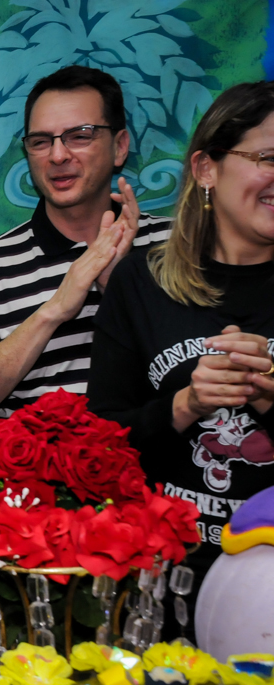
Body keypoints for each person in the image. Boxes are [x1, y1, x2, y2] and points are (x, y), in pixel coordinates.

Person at [88, 81, 274, 634]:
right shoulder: (142, 284)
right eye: (267, 157)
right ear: (206, 169)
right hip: (165, 587)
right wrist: (186, 403)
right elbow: (100, 441)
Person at [0, 65, 171, 419]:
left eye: (80, 135)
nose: (57, 156)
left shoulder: (180, 245)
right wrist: (55, 309)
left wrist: (122, 291)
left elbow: (201, 374)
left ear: (119, 147)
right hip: (34, 469)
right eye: (41, 141)